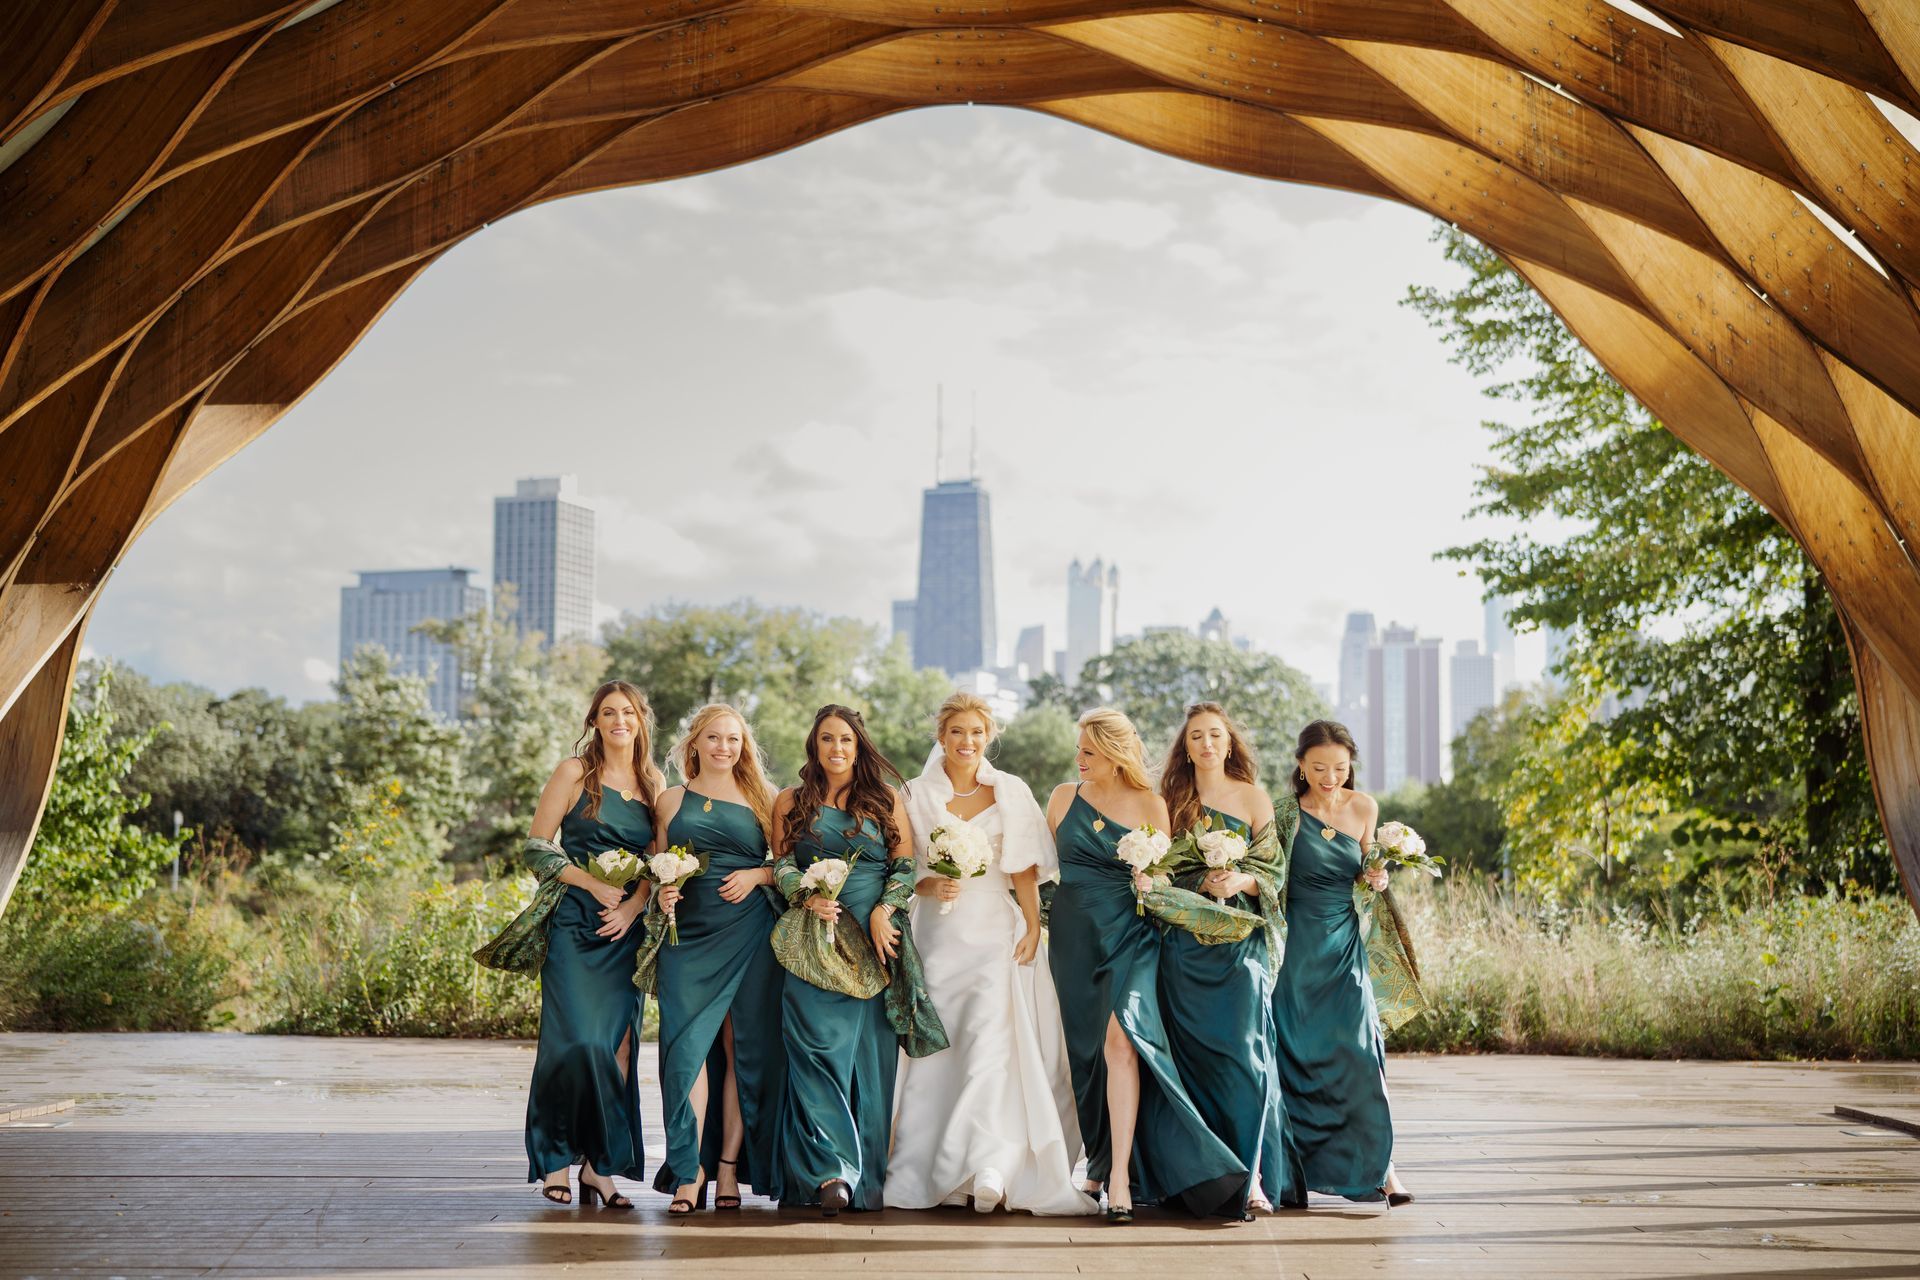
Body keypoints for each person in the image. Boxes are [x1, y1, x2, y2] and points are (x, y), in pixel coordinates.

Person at [885, 692, 1096, 1215]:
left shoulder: (1011, 790)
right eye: (957, 731)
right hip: (936, 934)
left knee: (990, 1045)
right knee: (938, 1050)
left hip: (994, 932)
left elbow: (1023, 866)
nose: (967, 741)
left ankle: (990, 1165)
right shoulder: (916, 794)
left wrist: (1031, 924)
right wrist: (932, 887)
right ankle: (938, 1169)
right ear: (942, 736)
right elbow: (905, 867)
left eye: (977, 732)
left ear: (989, 736)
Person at [1045, 707, 1246, 1222]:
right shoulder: (1063, 797)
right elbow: (1039, 868)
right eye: (1079, 750)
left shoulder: (1151, 804)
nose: (1079, 759)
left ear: (1113, 756)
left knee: (1121, 1043)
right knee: (1085, 1054)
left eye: (1088, 751)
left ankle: (1119, 1183)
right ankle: (1100, 1159)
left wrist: (1150, 883)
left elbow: (1166, 880)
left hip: (1132, 936)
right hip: (1072, 938)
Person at [768, 705, 918, 1215]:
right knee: (814, 1053)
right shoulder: (790, 801)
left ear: (859, 747)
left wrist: (884, 909)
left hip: (873, 948)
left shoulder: (884, 801)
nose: (837, 749)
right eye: (827, 739)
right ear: (814, 744)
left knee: (867, 1063)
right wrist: (804, 896)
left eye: (846, 740)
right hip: (813, 942)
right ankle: (829, 1172)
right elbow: (782, 864)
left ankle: (863, 1180)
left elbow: (904, 867)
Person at [519, 680, 664, 1208]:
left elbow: (657, 862)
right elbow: (536, 847)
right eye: (609, 712)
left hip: (625, 931)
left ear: (641, 720)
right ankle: (555, 1157)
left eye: (628, 712)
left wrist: (631, 906)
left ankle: (598, 1169)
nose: (619, 720)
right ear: (595, 721)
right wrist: (591, 884)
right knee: (574, 1040)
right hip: (574, 925)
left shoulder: (653, 784)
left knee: (618, 1046)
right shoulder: (574, 773)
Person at [645, 704, 785, 1213]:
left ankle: (725, 1168)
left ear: (743, 746)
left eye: (733, 739)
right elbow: (660, 868)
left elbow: (789, 866)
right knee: (685, 1053)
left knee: (741, 1050)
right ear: (694, 743)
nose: (724, 747)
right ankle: (689, 1168)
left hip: (749, 932)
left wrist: (757, 875)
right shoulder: (669, 801)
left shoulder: (763, 798)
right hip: (689, 937)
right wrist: (663, 893)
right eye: (714, 738)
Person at [1272, 718, 1418, 1206]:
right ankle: (1299, 1171)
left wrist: (1378, 879)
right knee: (1297, 1061)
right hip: (1296, 952)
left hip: (1344, 948)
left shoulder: (1364, 807)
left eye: (1339, 767)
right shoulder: (1286, 815)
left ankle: (1384, 1167)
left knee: (1361, 1057)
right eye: (1318, 768)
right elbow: (1272, 880)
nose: (1330, 776)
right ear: (1300, 766)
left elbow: (1365, 874)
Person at [1156, 701, 1292, 1215]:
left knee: (1246, 1056)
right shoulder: (1169, 799)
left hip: (1241, 947)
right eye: (1196, 737)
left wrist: (1242, 879)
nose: (1207, 743)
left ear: (1230, 742)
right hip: (1184, 949)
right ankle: (1199, 1177)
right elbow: (1155, 870)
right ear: (1185, 748)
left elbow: (1276, 873)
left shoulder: (1254, 798)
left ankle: (1253, 1176)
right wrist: (1198, 881)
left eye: (1215, 734)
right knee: (1191, 1062)